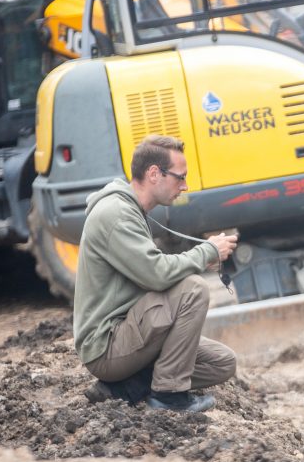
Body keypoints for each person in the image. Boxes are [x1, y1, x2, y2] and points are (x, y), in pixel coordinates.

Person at [73, 134, 238, 413]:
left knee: (222, 363)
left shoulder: (130, 210)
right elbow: (157, 275)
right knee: (194, 289)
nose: (184, 186)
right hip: (107, 346)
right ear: (153, 174)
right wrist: (207, 252)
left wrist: (198, 258)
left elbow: (151, 270)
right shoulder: (116, 214)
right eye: (179, 177)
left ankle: (127, 388)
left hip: (129, 331)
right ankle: (168, 397)